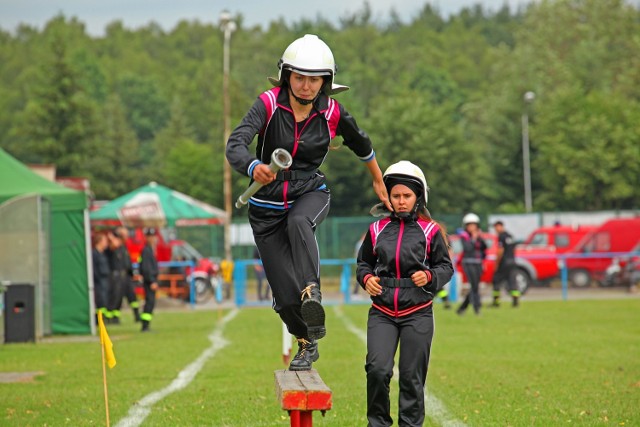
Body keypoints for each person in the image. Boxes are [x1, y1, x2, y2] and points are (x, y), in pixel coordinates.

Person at [226, 34, 390, 371]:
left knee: (300, 222)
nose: (305, 86)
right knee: (285, 300)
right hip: (265, 207)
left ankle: (312, 291)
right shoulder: (268, 105)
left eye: (314, 79)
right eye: (299, 77)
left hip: (309, 193)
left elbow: (361, 142)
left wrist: (377, 177)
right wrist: (253, 166)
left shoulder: (332, 112)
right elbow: (236, 144)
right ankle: (306, 341)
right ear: (286, 75)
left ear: (325, 82)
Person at [356, 161, 453, 427]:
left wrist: (430, 277)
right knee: (377, 370)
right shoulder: (376, 230)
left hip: (418, 313)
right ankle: (378, 424)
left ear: (418, 197)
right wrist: (366, 278)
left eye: (406, 196)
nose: (401, 201)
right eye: (396, 196)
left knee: (411, 378)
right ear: (388, 197)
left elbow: (445, 267)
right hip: (382, 313)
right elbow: (363, 263)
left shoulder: (430, 231)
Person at [456, 213, 487, 316]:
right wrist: (473, 239)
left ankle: (461, 309)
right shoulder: (464, 236)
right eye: (470, 225)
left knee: (475, 286)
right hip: (468, 263)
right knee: (474, 286)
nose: (472, 227)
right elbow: (467, 248)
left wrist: (479, 238)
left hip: (478, 263)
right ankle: (477, 309)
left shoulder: (479, 236)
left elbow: (484, 249)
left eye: (474, 225)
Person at [491, 220, 520, 307]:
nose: (496, 229)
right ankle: (515, 302)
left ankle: (496, 302)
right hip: (512, 261)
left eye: (496, 227)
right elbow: (514, 249)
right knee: (512, 282)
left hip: (504, 262)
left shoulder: (501, 236)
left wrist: (496, 263)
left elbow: (500, 251)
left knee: (496, 280)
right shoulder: (510, 236)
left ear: (500, 226)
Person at [139, 228, 159, 332]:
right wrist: (152, 281)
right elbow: (146, 268)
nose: (152, 239)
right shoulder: (146, 250)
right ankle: (145, 326)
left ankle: (146, 325)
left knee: (151, 303)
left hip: (151, 280)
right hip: (149, 282)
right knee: (149, 302)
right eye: (150, 236)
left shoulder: (150, 249)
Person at [91, 232, 110, 324]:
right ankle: (98, 320)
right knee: (100, 301)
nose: (106, 243)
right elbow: (94, 269)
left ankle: (103, 320)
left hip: (104, 280)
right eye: (105, 241)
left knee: (104, 301)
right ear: (99, 241)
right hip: (99, 281)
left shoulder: (103, 254)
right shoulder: (94, 254)